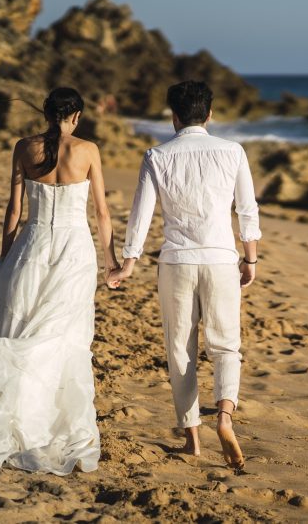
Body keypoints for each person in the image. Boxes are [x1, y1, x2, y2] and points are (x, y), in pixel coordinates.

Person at [0, 87, 119, 475]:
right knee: (62, 332)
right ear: (77, 116)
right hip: (74, 249)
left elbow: (14, 209)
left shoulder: (23, 147)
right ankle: (49, 420)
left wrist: (4, 257)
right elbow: (101, 212)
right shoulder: (88, 150)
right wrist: (111, 260)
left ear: (47, 114)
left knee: (18, 327)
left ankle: (13, 414)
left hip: (32, 245)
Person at [106, 80, 260, 472]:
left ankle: (192, 438)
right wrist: (250, 258)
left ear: (173, 116)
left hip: (175, 262)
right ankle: (224, 418)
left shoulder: (157, 155)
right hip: (221, 259)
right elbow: (247, 209)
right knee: (225, 345)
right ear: (209, 114)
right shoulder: (233, 151)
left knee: (180, 349)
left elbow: (141, 215)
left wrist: (128, 262)